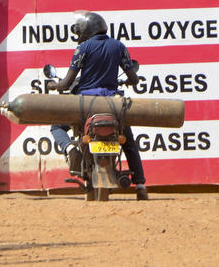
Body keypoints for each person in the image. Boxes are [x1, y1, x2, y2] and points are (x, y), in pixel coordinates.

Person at [48, 10, 149, 201]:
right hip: (113, 103)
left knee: (56, 126)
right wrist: (128, 82)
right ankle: (141, 185)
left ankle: (70, 150)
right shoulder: (119, 46)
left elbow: (67, 83)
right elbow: (133, 78)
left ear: (88, 29)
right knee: (128, 141)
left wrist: (54, 85)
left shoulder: (83, 48)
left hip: (85, 104)